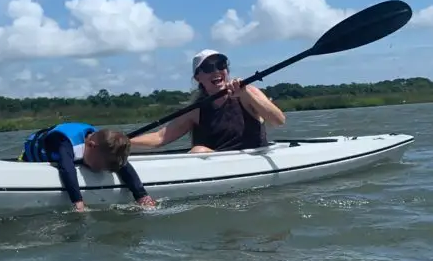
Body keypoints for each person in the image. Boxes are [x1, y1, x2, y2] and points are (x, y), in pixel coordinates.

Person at [130, 49, 286, 153]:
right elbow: (160, 137)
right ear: (198, 77)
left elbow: (279, 120)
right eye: (209, 68)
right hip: (216, 165)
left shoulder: (247, 92)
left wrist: (245, 94)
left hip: (251, 158)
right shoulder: (196, 110)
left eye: (220, 65)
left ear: (227, 70)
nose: (216, 71)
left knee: (198, 150)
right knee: (199, 150)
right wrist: (124, 142)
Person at [19, 122, 156, 210]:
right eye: (99, 164)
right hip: (30, 158)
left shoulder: (103, 146)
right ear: (91, 145)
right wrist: (78, 201)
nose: (100, 170)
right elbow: (67, 168)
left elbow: (123, 165)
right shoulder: (66, 143)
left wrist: (142, 196)